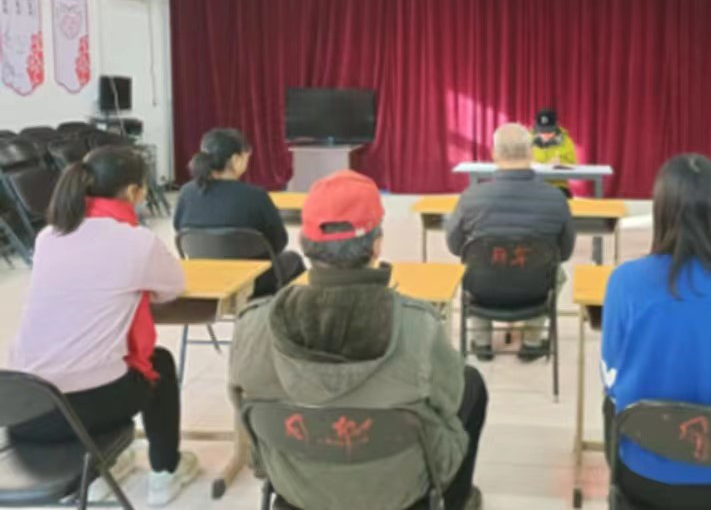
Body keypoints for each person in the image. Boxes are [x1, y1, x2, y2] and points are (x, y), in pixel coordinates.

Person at [230, 170, 487, 510]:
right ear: (377, 245)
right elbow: (448, 402)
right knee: (471, 384)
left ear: (304, 245)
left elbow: (246, 418)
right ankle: (455, 501)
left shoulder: (252, 327)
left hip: (297, 492)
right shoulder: (418, 326)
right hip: (399, 494)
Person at [8, 146, 200, 507]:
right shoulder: (135, 241)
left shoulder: (49, 236)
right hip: (76, 412)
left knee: (100, 361)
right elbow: (172, 288)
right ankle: (165, 471)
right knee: (157, 364)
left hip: (20, 408)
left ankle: (101, 468)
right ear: (134, 192)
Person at [602, 154, 711, 510]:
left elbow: (610, 378)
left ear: (661, 211)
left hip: (648, 479)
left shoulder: (625, 282)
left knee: (613, 405)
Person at [446, 123, 575, 361]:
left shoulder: (471, 197)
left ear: (494, 154)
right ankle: (532, 342)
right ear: (531, 153)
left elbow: (455, 247)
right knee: (556, 271)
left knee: (473, 263)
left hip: (483, 292)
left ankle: (482, 343)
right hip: (534, 292)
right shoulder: (556, 198)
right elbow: (565, 252)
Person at [173, 128, 305, 297]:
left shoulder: (186, 193)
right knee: (293, 259)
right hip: (253, 280)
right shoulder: (255, 195)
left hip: (206, 276)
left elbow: (179, 228)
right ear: (235, 160)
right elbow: (279, 241)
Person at [531, 108, 578, 196]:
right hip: (534, 184)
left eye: (549, 131)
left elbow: (573, 164)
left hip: (558, 185)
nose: (545, 134)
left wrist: (560, 163)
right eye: (542, 131)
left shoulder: (565, 141)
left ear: (556, 126)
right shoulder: (527, 139)